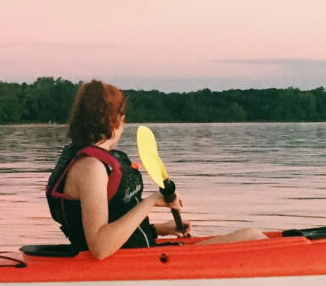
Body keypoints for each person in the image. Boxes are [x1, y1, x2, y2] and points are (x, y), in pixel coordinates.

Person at [47, 80, 264, 260]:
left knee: (252, 236)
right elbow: (100, 247)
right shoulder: (91, 167)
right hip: (133, 265)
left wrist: (160, 229)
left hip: (142, 254)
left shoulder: (92, 160)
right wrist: (151, 201)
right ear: (118, 121)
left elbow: (116, 223)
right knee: (253, 237)